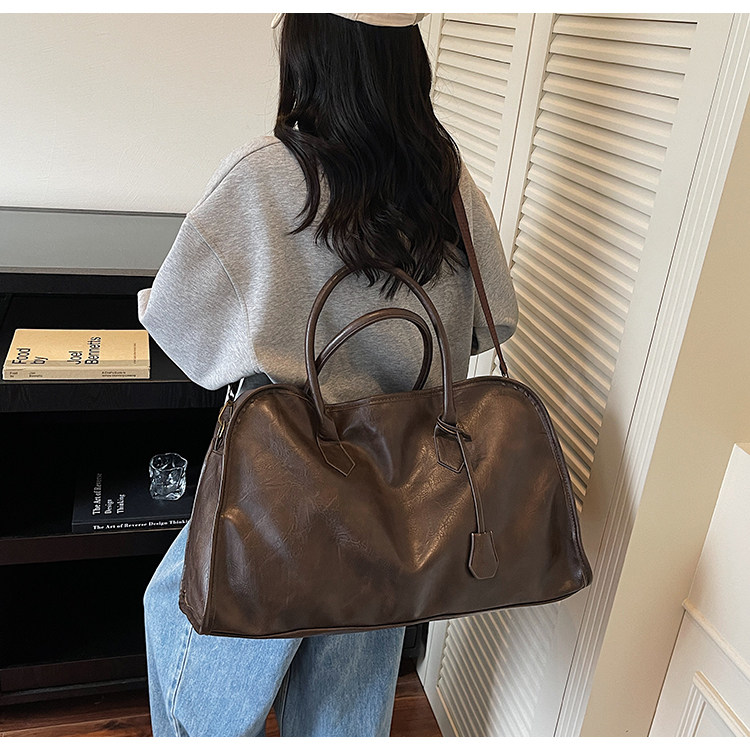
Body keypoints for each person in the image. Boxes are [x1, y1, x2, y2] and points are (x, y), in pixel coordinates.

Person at [137, 12, 518, 737]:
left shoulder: (264, 175)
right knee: (346, 710)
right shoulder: (445, 180)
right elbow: (494, 324)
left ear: (310, 52)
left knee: (191, 653)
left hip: (276, 485)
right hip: (395, 497)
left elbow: (183, 331)